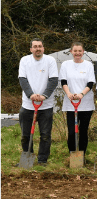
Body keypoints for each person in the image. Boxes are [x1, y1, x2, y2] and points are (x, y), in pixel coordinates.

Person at [18, 38, 58, 166]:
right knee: (25, 135)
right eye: (35, 46)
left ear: (43, 48)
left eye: (40, 46)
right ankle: (27, 159)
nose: (38, 48)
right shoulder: (25, 60)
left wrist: (44, 96)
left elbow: (53, 80)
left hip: (45, 105)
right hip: (27, 105)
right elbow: (22, 79)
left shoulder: (50, 61)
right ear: (31, 49)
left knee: (45, 135)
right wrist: (31, 95)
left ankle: (42, 161)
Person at [59, 42, 96, 163]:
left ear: (83, 51)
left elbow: (90, 83)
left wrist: (81, 94)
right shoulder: (65, 64)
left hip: (86, 103)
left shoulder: (88, 65)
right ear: (71, 52)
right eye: (75, 51)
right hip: (70, 104)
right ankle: (73, 156)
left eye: (80, 51)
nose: (77, 53)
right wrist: (69, 94)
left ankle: (82, 156)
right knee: (71, 131)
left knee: (83, 130)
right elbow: (63, 81)